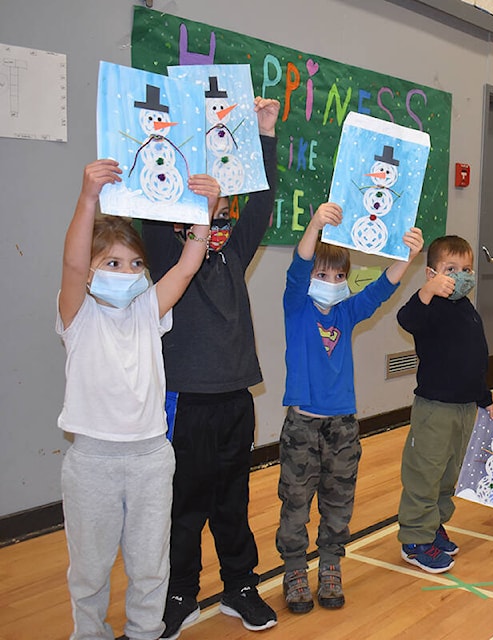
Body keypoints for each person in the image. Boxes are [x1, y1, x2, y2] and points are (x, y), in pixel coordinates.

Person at [57, 160, 215, 640]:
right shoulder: (77, 314)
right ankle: (89, 633)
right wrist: (88, 199)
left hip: (149, 457)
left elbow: (188, 265)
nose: (126, 272)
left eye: (136, 263)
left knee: (151, 563)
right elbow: (72, 262)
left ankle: (146, 632)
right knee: (90, 569)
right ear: (89, 273)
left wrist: (203, 211)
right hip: (92, 461)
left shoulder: (149, 310)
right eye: (111, 263)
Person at [141, 97, 281, 637]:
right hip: (185, 402)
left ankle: (239, 586)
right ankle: (180, 594)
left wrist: (265, 135)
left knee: (233, 498)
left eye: (223, 214)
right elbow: (157, 213)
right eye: (207, 213)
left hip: (234, 400)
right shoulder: (164, 257)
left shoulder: (233, 256)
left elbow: (262, 205)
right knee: (184, 505)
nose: (218, 221)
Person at [276, 203, 423, 612]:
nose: (332, 281)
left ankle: (329, 567)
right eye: (322, 275)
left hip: (342, 426)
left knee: (339, 501)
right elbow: (298, 266)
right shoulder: (298, 307)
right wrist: (315, 224)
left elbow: (379, 291)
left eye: (339, 276)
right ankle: (293, 570)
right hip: (303, 424)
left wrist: (406, 256)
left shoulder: (346, 310)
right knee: (296, 501)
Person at [396, 235, 493, 573]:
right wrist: (426, 293)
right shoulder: (429, 307)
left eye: (466, 268)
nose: (461, 275)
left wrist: (485, 398)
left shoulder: (466, 308)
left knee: (449, 474)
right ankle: (414, 539)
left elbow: (475, 358)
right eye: (451, 269)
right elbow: (407, 319)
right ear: (430, 274)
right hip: (435, 408)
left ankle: (433, 525)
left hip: (466, 407)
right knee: (425, 472)